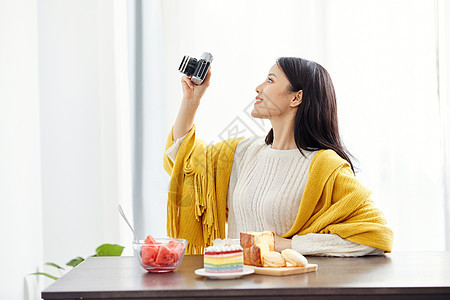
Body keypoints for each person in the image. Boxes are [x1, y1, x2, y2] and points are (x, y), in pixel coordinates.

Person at [163, 57, 393, 256]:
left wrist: (285, 245)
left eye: (270, 80)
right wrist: (191, 101)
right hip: (236, 284)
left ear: (296, 98)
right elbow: (185, 161)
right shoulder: (243, 153)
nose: (258, 87)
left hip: (290, 288)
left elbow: (375, 235)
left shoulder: (325, 166)